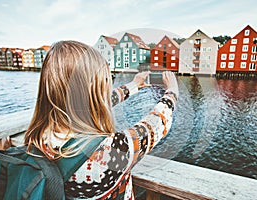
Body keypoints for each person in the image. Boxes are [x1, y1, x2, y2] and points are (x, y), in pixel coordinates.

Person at [24, 40, 179, 199]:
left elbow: (100, 101)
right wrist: (172, 91)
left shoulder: (38, 138)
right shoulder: (109, 151)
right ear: (93, 89)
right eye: (105, 80)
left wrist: (133, 85)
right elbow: (156, 123)